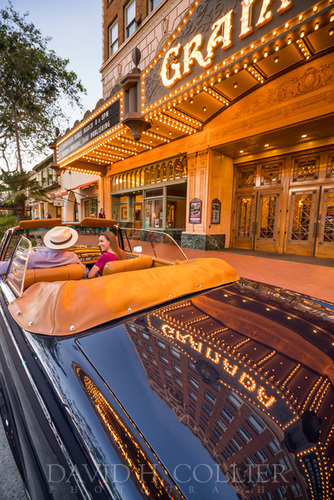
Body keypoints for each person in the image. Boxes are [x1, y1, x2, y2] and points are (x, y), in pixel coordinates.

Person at [0, 226, 88, 277]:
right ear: (68, 244)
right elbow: (85, 272)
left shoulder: (30, 257)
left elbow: (6, 269)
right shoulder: (73, 257)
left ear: (50, 241)